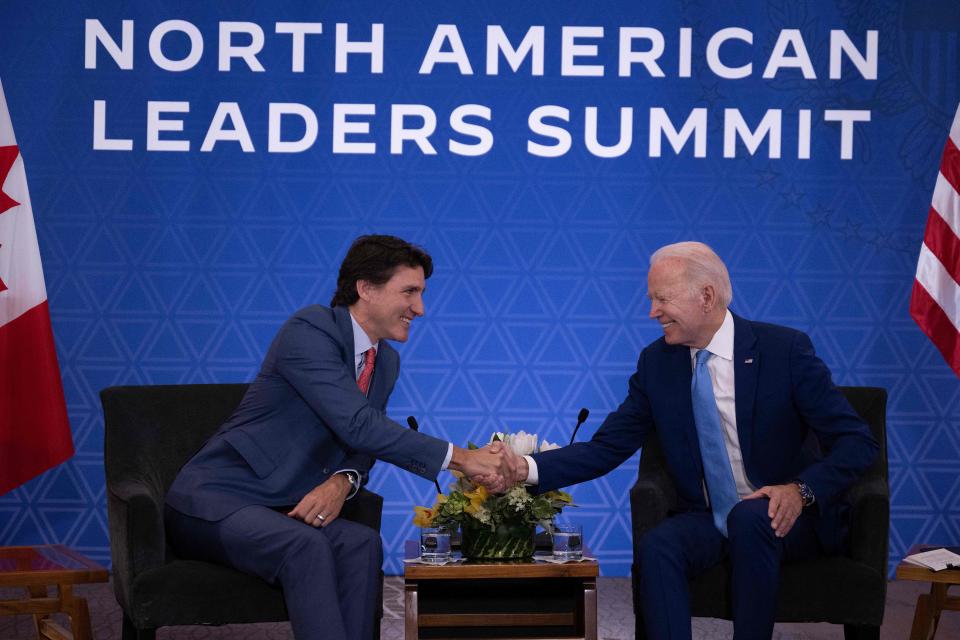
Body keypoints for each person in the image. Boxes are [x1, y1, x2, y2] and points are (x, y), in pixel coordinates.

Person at [485, 241, 879, 640]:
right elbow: (608, 447)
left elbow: (857, 441)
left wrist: (801, 491)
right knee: (659, 547)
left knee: (749, 518)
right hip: (708, 517)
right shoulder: (658, 363)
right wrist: (526, 468)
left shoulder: (784, 351)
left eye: (661, 299)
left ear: (706, 296)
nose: (652, 312)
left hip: (787, 519)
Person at [165, 234, 509, 640]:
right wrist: (464, 459)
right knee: (304, 547)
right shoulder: (309, 330)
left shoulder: (385, 362)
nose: (420, 308)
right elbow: (359, 424)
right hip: (217, 500)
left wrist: (342, 481)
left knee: (361, 544)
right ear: (365, 288)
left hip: (285, 507)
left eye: (422, 293)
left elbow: (365, 444)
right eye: (410, 292)